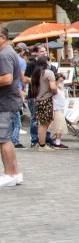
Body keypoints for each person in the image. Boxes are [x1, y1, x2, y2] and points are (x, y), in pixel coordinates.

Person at [0, 27, 24, 186]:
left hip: (5, 102)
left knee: (3, 139)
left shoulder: (4, 55)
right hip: (9, 101)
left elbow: (7, 79)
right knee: (5, 138)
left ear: (2, 37)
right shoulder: (9, 52)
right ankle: (14, 173)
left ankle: (9, 175)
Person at [29, 59, 57, 151]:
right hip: (46, 99)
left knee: (42, 123)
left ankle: (41, 143)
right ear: (46, 63)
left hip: (37, 99)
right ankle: (42, 144)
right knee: (44, 124)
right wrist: (55, 92)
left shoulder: (35, 73)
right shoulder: (49, 73)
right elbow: (53, 87)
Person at [49, 73, 68, 149]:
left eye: (62, 81)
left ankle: (57, 142)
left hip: (60, 108)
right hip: (56, 108)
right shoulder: (55, 88)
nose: (61, 82)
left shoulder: (61, 88)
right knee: (58, 126)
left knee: (59, 127)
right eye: (60, 80)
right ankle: (57, 142)